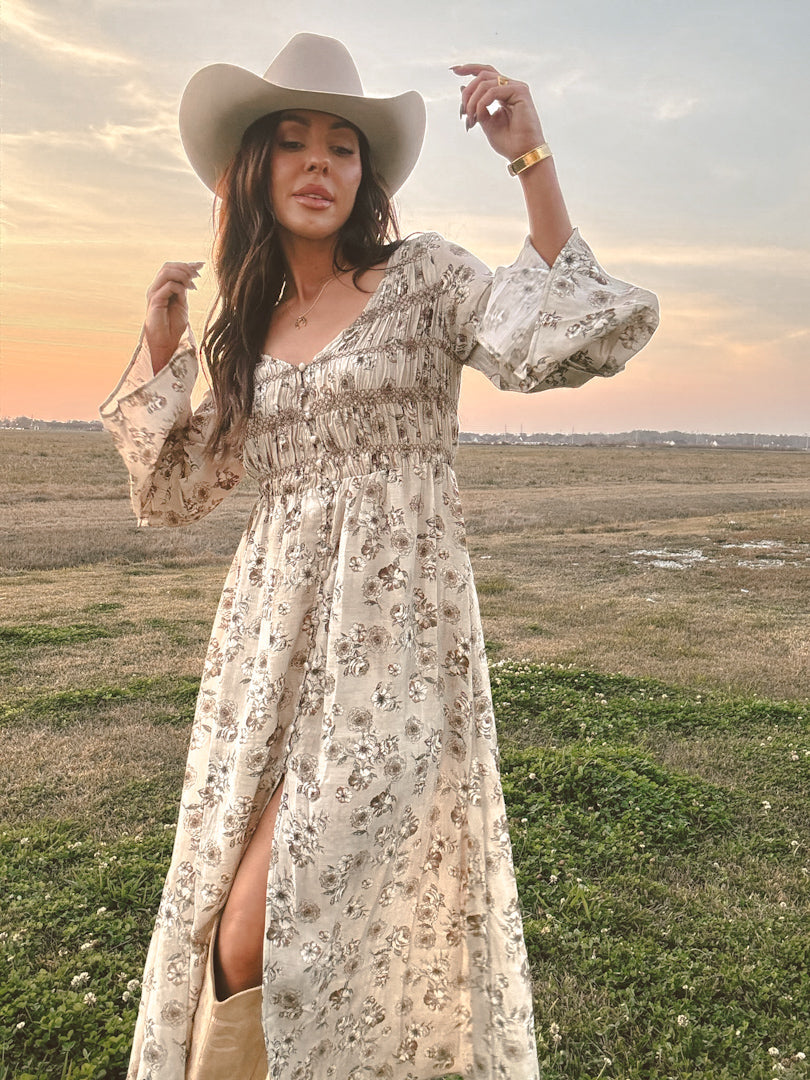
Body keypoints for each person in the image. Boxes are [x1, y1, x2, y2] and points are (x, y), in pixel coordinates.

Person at [100, 31, 659, 1080]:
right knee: (233, 916)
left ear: (366, 175)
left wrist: (531, 159)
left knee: (288, 916)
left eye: (343, 146)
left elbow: (556, 340)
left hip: (393, 651)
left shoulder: (424, 277)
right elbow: (171, 492)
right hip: (265, 655)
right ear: (255, 168)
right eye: (295, 141)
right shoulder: (250, 329)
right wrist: (163, 349)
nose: (320, 162)